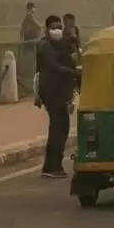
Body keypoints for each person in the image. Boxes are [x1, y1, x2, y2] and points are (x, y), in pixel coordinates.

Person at [35, 16, 75, 179]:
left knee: (61, 126)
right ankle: (52, 166)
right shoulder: (45, 46)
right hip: (51, 91)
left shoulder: (59, 43)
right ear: (46, 29)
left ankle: (53, 165)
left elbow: (70, 54)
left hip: (59, 91)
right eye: (53, 27)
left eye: (59, 27)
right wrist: (73, 72)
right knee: (59, 126)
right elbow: (54, 66)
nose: (57, 30)